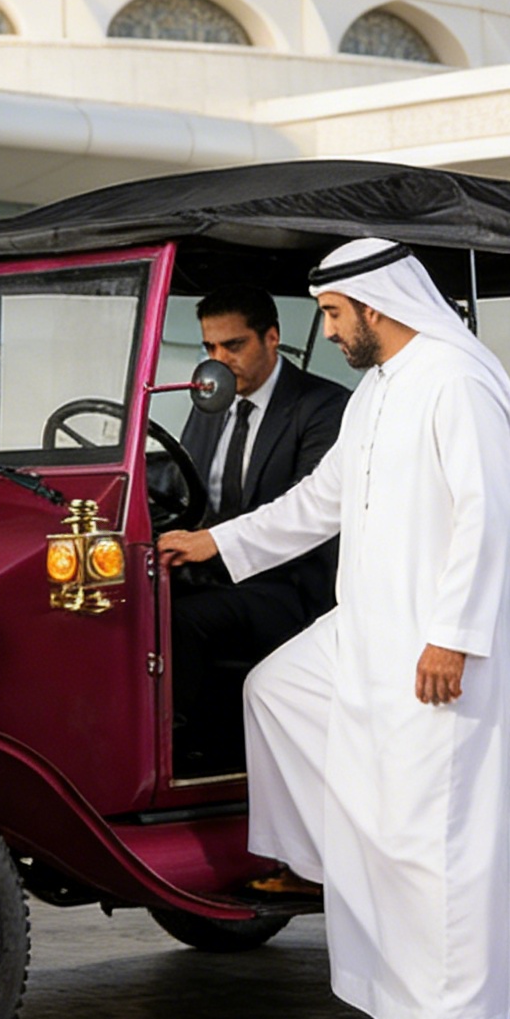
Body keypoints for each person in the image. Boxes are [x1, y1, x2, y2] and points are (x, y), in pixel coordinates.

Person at [158, 239, 510, 1019]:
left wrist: (455, 637)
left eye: (333, 314)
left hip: (437, 635)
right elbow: (319, 502)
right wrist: (214, 542)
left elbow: (487, 519)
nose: (326, 332)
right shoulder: (379, 391)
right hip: (367, 624)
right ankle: (321, 862)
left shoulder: (455, 379)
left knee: (434, 833)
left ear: (375, 304)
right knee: (278, 690)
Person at [166, 288, 347, 772]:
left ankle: (173, 751)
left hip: (293, 584)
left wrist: (210, 544)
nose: (220, 361)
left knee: (180, 620)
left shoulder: (325, 408)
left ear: (273, 338)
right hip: (213, 570)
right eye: (209, 349)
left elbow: (301, 515)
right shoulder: (210, 402)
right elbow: (186, 489)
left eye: (234, 346)